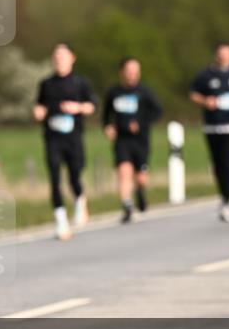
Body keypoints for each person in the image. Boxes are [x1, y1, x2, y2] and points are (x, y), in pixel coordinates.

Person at [33, 44, 97, 240]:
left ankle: (79, 197)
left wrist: (77, 107)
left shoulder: (80, 82)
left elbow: (92, 106)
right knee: (54, 176)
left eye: (63, 56)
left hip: (73, 136)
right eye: (56, 57)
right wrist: (39, 112)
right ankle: (61, 222)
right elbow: (39, 106)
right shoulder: (46, 83)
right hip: (53, 137)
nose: (59, 60)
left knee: (74, 174)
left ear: (72, 58)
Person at [190, 43, 229, 222]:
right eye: (221, 54)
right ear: (216, 56)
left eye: (227, 54)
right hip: (212, 126)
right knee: (217, 164)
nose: (224, 57)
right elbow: (193, 94)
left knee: (226, 162)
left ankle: (227, 199)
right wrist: (205, 101)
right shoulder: (206, 75)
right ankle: (224, 195)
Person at [102, 57, 163, 224]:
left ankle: (140, 192)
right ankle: (127, 206)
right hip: (122, 139)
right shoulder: (114, 92)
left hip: (141, 140)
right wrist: (108, 126)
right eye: (129, 72)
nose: (132, 75)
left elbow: (158, 111)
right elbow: (106, 115)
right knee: (124, 171)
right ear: (122, 72)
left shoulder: (144, 92)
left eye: (135, 72)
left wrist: (142, 123)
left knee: (141, 177)